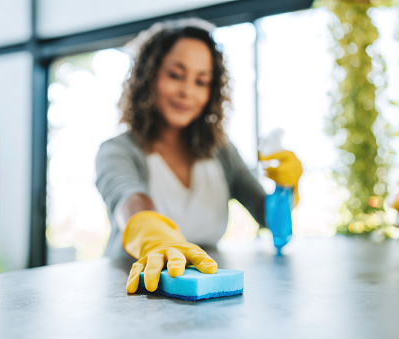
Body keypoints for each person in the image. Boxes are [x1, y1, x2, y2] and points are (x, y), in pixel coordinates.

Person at [95, 18, 302, 294]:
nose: (187, 91)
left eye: (201, 81)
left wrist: (285, 189)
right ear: (149, 76)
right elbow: (130, 200)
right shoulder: (118, 150)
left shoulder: (221, 151)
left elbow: (267, 217)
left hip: (205, 290)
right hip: (136, 289)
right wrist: (156, 238)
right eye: (175, 75)